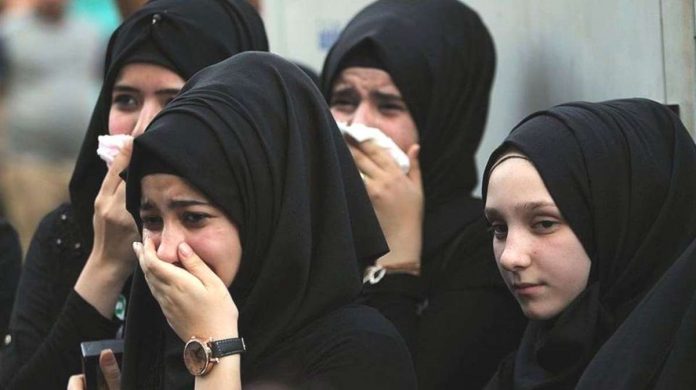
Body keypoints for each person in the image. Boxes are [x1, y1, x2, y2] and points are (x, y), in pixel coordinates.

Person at [0, 0, 268, 388]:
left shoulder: (268, 242)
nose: (141, 129)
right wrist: (105, 264)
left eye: (174, 100)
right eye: (126, 100)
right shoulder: (68, 235)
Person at [118, 52, 417, 389]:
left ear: (266, 215)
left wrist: (215, 350)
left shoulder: (361, 355)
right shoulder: (164, 335)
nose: (167, 251)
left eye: (194, 217)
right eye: (152, 220)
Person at [320, 0, 526, 387]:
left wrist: (397, 264)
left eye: (389, 105)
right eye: (344, 101)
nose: (358, 125)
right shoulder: (314, 220)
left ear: (443, 119)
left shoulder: (485, 245)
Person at [482, 98, 696, 389]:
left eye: (545, 224)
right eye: (500, 229)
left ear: (622, 218)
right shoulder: (529, 361)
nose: (510, 257)